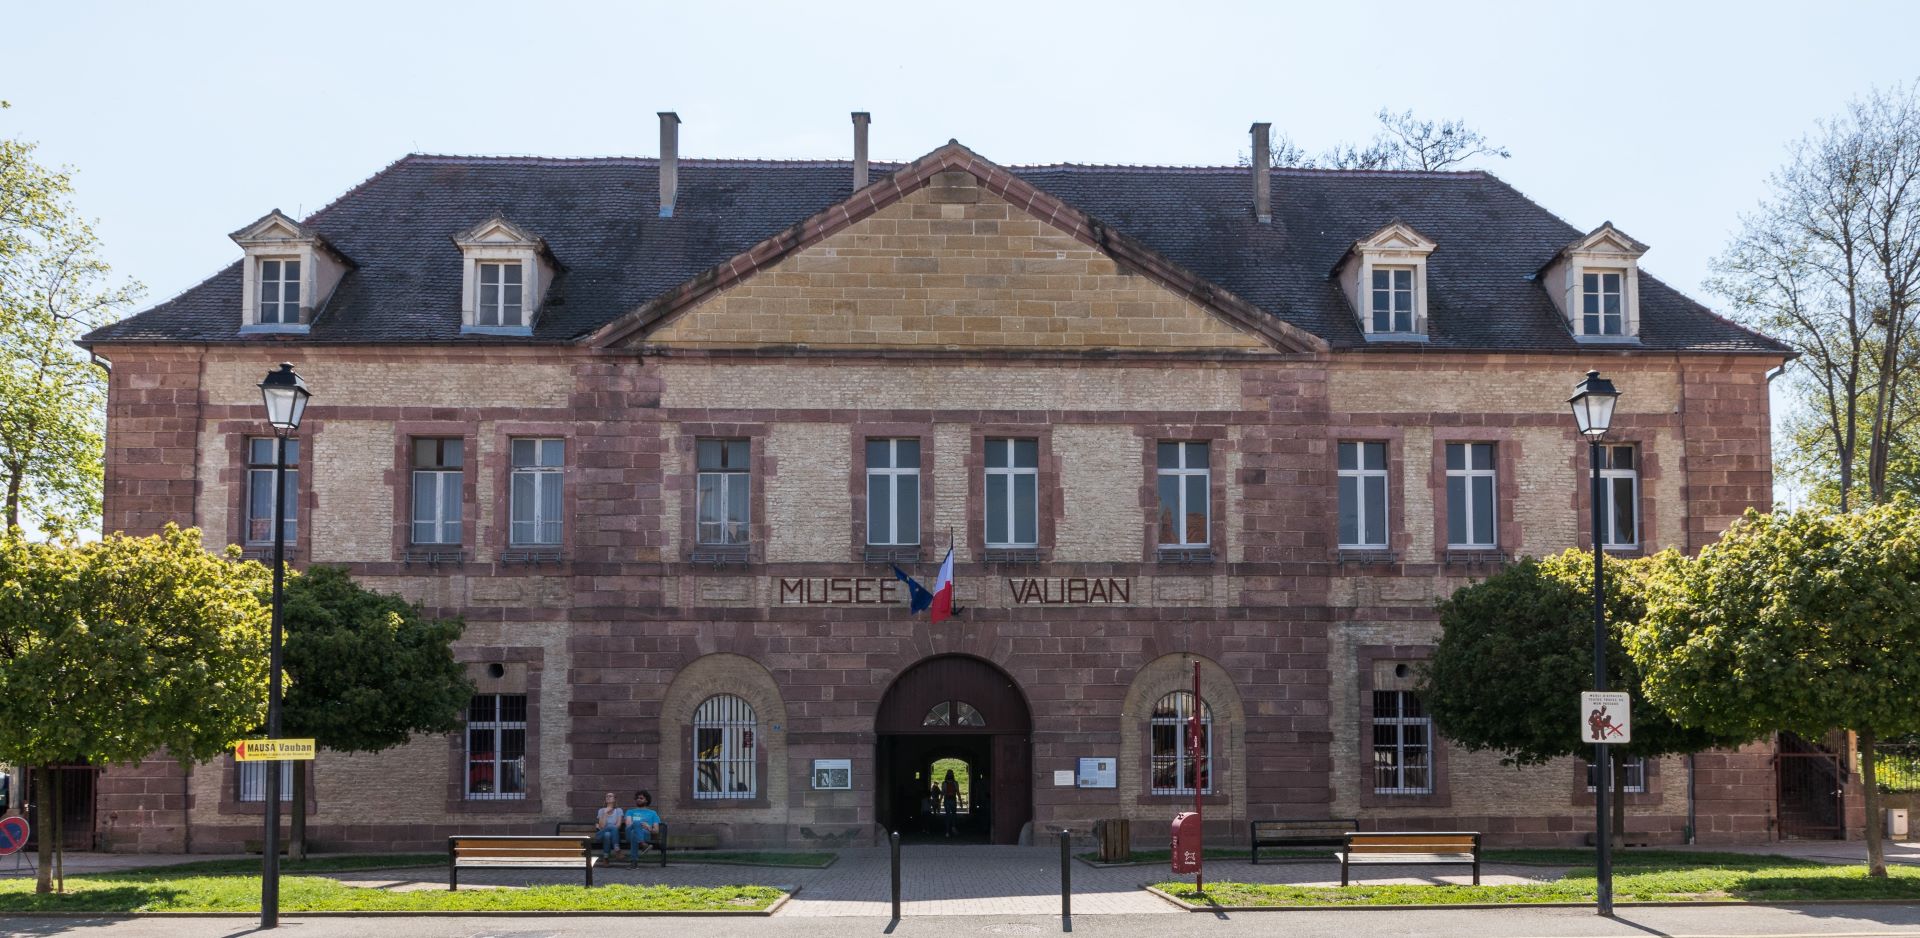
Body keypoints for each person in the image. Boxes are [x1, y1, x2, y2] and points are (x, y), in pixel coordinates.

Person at [623, 789, 662, 866]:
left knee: (634, 833)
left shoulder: (653, 813)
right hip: (629, 832)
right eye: (637, 798)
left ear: (646, 800)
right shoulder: (630, 811)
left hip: (644, 834)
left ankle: (634, 862)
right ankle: (643, 844)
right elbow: (629, 825)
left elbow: (656, 831)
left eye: (641, 798)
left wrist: (649, 827)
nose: (638, 799)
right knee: (635, 825)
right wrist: (639, 824)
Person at [592, 791, 623, 859]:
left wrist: (609, 826)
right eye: (607, 796)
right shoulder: (601, 810)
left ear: (614, 799)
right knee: (609, 829)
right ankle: (617, 848)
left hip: (613, 835)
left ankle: (606, 858)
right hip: (600, 835)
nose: (608, 797)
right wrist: (605, 813)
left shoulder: (618, 810)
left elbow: (618, 826)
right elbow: (602, 826)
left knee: (607, 834)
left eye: (610, 796)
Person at [941, 770, 959, 838]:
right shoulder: (955, 783)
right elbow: (958, 792)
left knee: (947, 816)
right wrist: (960, 801)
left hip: (947, 800)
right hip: (953, 800)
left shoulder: (944, 783)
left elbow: (943, 793)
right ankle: (953, 827)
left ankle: (947, 832)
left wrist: (940, 801)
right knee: (954, 815)